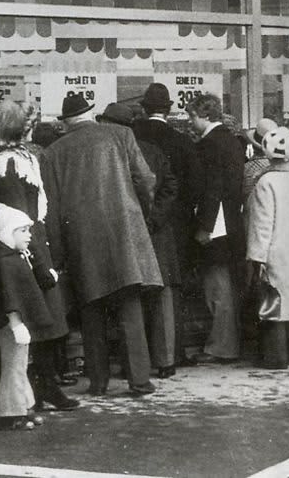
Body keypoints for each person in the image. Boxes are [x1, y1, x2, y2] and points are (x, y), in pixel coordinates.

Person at [0, 101, 76, 412]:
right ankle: (35, 390)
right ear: (25, 128)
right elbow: (35, 214)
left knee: (11, 326)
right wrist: (46, 260)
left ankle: (5, 393)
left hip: (2, 253)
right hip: (27, 250)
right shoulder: (26, 160)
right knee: (40, 323)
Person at [42, 94, 160, 396]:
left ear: (65, 123)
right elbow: (146, 179)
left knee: (91, 310)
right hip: (124, 231)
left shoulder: (54, 152)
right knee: (129, 307)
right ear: (91, 114)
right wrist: (140, 213)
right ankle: (139, 380)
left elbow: (51, 208)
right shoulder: (121, 134)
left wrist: (57, 253)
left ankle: (98, 381)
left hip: (81, 239)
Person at [98, 103, 181, 379]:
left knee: (130, 299)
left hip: (128, 233)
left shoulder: (105, 153)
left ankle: (133, 362)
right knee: (160, 298)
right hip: (155, 233)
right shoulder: (150, 150)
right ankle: (165, 361)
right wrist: (155, 217)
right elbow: (170, 186)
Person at [131, 83, 203, 367]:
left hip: (137, 222)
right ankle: (173, 352)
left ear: (145, 109)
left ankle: (143, 353)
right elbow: (196, 184)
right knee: (171, 290)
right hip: (175, 225)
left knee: (140, 287)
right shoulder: (182, 141)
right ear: (169, 109)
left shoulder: (131, 138)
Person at [185, 94, 247, 365]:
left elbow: (212, 189)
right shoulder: (232, 141)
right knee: (227, 287)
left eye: (192, 117)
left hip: (216, 225)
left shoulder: (208, 145)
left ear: (205, 116)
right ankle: (227, 343)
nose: (190, 122)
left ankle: (222, 346)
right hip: (232, 222)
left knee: (216, 288)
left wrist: (204, 227)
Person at [0, 203, 50, 431]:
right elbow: (9, 298)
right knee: (13, 366)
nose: (29, 235)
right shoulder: (6, 262)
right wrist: (16, 324)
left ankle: (25, 406)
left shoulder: (14, 258)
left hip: (17, 325)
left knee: (19, 365)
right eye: (22, 230)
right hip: (13, 326)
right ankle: (12, 411)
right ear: (8, 233)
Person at [245, 127, 289, 369]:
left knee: (272, 304)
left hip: (274, 250)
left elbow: (262, 223)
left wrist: (256, 257)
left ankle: (275, 357)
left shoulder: (266, 182)